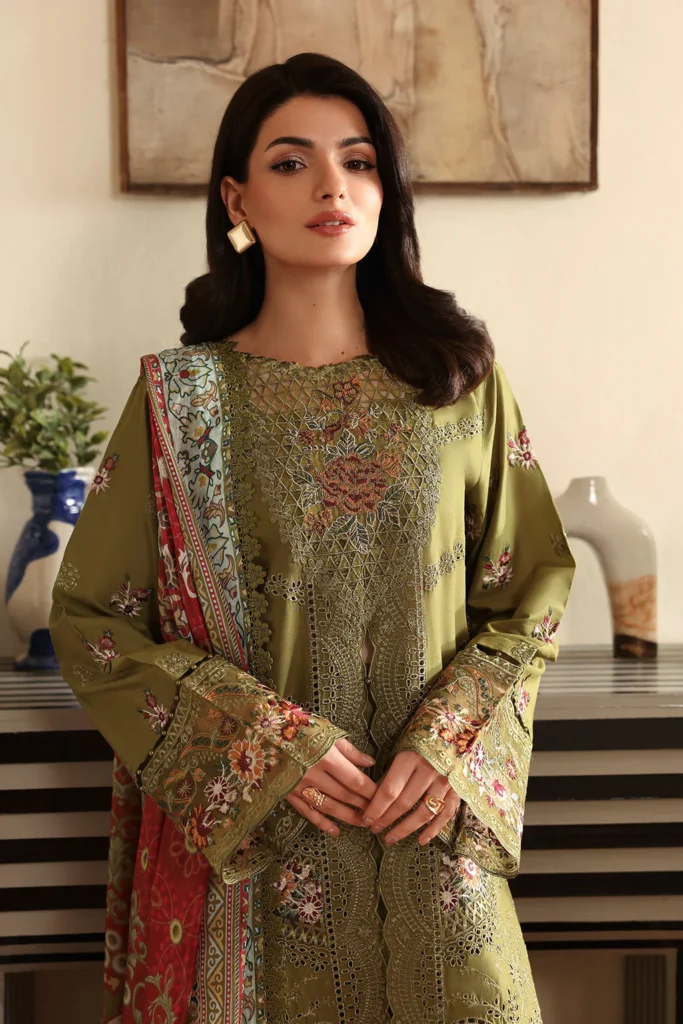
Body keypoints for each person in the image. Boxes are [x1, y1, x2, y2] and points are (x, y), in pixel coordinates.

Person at [50, 51, 576, 1024]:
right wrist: (260, 743)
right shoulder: (180, 402)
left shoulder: (457, 385)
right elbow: (91, 621)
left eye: (358, 160)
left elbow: (531, 587)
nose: (332, 185)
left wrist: (451, 741)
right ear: (236, 200)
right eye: (291, 162)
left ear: (385, 190)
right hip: (253, 857)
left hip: (428, 841)